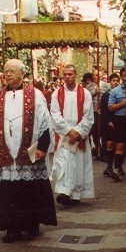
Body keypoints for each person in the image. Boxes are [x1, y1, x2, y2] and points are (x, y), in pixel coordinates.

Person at [0, 59, 57, 243]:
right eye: (6, 71)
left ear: (22, 74)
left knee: (30, 189)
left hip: (29, 149)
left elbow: (45, 122)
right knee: (9, 191)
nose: (8, 74)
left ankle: (32, 225)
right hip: (6, 151)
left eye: (12, 71)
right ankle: (12, 229)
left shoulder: (36, 94)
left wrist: (42, 147)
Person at [49, 65, 95, 205]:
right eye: (65, 74)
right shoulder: (56, 93)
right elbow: (55, 114)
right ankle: (64, 193)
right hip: (64, 135)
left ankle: (76, 194)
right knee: (64, 164)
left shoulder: (85, 93)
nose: (67, 77)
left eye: (70, 74)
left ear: (75, 74)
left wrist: (78, 132)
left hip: (79, 135)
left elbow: (88, 116)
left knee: (78, 164)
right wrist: (69, 131)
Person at [100, 72, 121, 181]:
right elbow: (103, 111)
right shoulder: (106, 95)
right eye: (113, 81)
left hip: (119, 121)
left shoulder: (122, 94)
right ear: (110, 82)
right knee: (110, 144)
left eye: (117, 81)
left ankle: (119, 167)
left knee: (120, 145)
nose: (116, 83)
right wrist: (108, 122)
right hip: (109, 123)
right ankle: (109, 166)